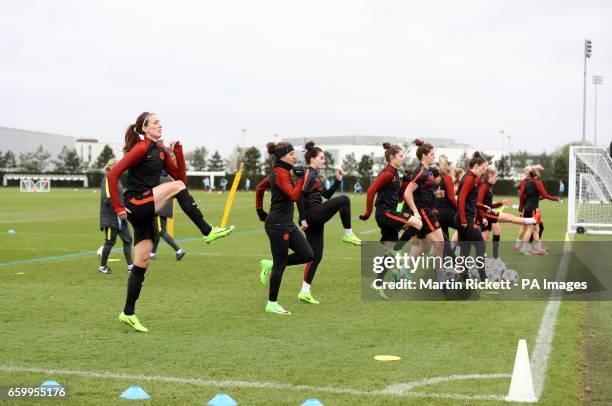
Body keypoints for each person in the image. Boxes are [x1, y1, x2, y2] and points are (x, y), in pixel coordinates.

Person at [107, 112, 235, 332]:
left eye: (160, 122)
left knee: (141, 264)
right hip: (136, 203)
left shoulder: (162, 152)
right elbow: (113, 174)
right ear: (145, 128)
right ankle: (207, 231)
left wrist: (178, 152)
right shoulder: (140, 147)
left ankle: (127, 313)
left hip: (146, 208)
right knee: (177, 188)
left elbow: (180, 180)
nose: (160, 125)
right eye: (155, 122)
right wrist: (118, 207)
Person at [291, 141, 362, 304]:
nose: (324, 160)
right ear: (312, 159)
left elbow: (327, 196)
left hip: (315, 216)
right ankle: (348, 234)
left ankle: (304, 291)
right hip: (311, 215)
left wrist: (337, 180)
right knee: (344, 199)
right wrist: (302, 218)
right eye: (321, 158)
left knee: (315, 256)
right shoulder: (308, 174)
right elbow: (299, 196)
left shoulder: (315, 176)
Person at [255, 141, 313, 315]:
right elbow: (294, 196)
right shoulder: (280, 173)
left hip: (287, 224)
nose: (295, 156)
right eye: (292, 153)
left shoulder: (283, 171)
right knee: (280, 265)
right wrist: (301, 178)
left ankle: (270, 264)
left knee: (307, 254)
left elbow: (260, 187)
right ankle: (272, 303)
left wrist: (259, 210)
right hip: (278, 226)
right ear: (283, 156)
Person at [359, 143, 422, 298]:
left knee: (389, 253)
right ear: (392, 157)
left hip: (390, 213)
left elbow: (398, 196)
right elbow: (371, 190)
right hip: (385, 214)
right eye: (401, 156)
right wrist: (367, 212)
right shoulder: (387, 173)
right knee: (418, 223)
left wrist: (406, 183)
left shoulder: (395, 174)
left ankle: (378, 283)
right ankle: (398, 248)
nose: (403, 158)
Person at [477, 168, 536, 263]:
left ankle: (487, 258)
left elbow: (489, 204)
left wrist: (501, 203)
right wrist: (483, 217)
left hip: (487, 212)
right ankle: (531, 220)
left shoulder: (489, 186)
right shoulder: (484, 186)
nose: (497, 179)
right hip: (485, 214)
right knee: (509, 217)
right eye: (496, 177)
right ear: (489, 176)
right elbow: (478, 203)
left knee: (487, 236)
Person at [455, 152, 489, 281]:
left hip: (463, 218)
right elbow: (461, 198)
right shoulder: (469, 178)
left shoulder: (470, 177)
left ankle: (462, 276)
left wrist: (481, 206)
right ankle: (483, 278)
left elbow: (469, 199)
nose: (484, 171)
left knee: (465, 247)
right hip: (465, 219)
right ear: (476, 166)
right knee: (481, 246)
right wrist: (464, 219)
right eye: (483, 168)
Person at [98, 158, 133, 274]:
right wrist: (120, 208)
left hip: (120, 216)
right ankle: (102, 266)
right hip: (110, 217)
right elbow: (107, 199)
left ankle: (130, 266)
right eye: (117, 165)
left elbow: (119, 197)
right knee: (110, 242)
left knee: (127, 239)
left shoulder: (117, 179)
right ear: (111, 167)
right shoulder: (107, 179)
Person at [518, 165, 560, 255]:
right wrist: (555, 199)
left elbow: (522, 196)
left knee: (536, 229)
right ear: (536, 174)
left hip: (528, 208)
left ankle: (537, 249)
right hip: (533, 209)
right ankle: (524, 249)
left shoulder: (527, 183)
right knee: (530, 229)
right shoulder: (537, 182)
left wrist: (521, 208)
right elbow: (545, 195)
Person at [150, 170, 185, 261]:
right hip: (167, 207)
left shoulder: (157, 178)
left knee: (161, 232)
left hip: (159, 208)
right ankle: (152, 253)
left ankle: (179, 250)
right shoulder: (170, 178)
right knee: (157, 231)